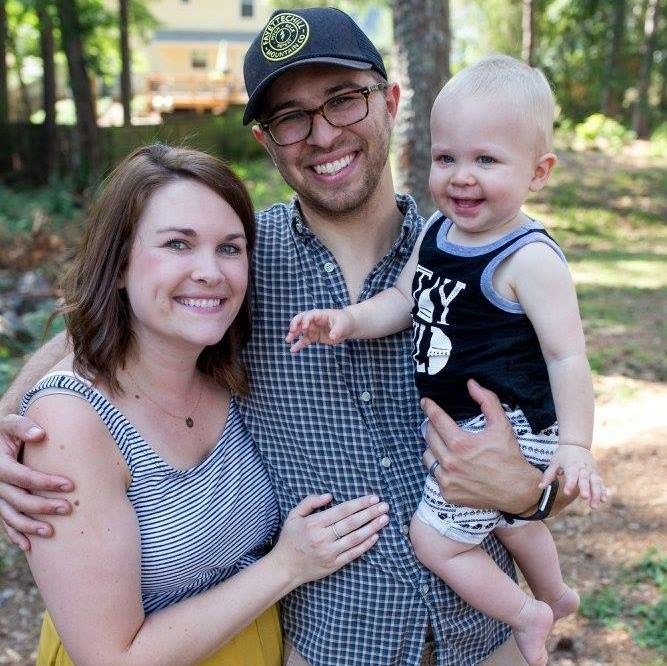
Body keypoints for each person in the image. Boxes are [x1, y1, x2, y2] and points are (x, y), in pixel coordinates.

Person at [0, 8, 580, 665]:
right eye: (290, 117)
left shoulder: (481, 260)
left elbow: (561, 441)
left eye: (343, 99)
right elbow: (105, 325)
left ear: (390, 102)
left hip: (487, 638)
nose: (322, 133)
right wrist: (10, 424)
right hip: (331, 646)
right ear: (266, 140)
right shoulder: (236, 264)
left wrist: (527, 492)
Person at [13, 144, 389, 666]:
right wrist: (287, 565)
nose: (211, 272)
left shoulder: (231, 370)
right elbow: (110, 658)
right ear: (118, 265)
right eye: (177, 244)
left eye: (230, 248)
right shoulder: (72, 424)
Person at [286, 55, 607, 666]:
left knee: (435, 541)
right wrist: (348, 321)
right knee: (507, 517)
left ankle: (527, 614)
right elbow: (402, 300)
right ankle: (555, 591)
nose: (462, 177)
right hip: (466, 426)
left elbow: (567, 356)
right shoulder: (437, 233)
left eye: (486, 160)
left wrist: (576, 445)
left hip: (513, 424)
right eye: (446, 158)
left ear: (538, 172)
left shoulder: (529, 258)